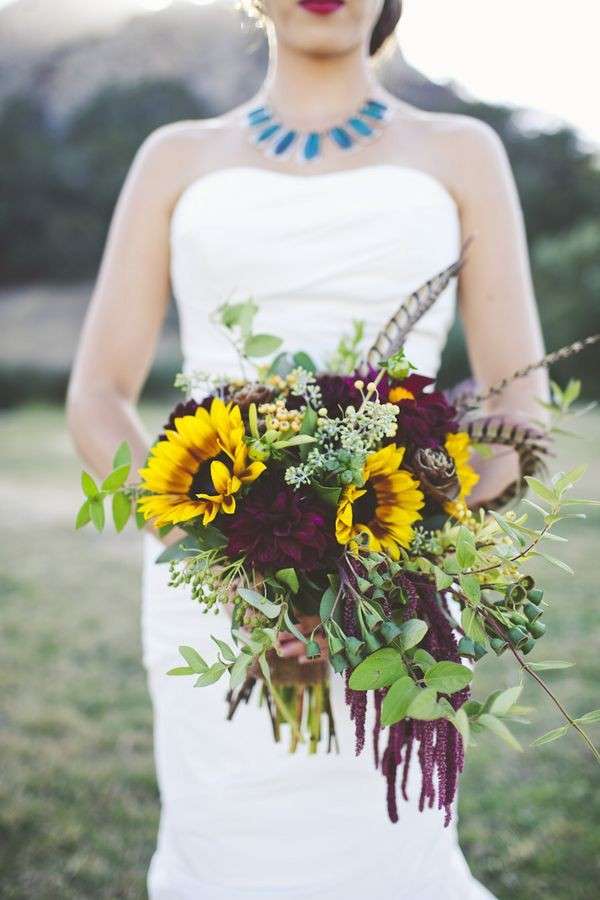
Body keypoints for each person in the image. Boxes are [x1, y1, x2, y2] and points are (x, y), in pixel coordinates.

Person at [67, 1, 548, 896]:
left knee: (384, 849)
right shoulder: (175, 155)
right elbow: (97, 395)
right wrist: (224, 562)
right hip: (208, 585)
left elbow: (520, 399)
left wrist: (377, 564)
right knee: (228, 845)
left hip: (399, 582)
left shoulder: (461, 149)